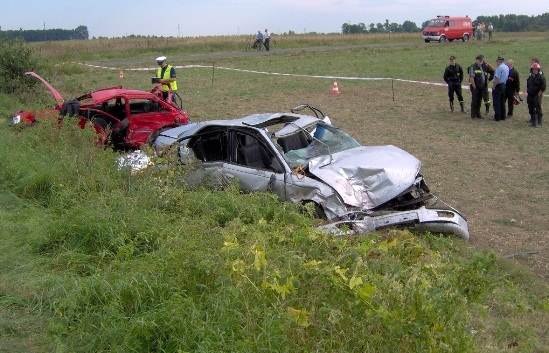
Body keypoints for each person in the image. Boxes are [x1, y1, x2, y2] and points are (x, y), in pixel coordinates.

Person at [526, 63, 546, 127]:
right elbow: (528, 84)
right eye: (534, 69)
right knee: (530, 108)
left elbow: (543, 87)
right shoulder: (531, 76)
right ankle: (533, 121)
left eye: (536, 69)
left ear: (538, 69)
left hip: (536, 95)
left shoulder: (541, 77)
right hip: (530, 95)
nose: (535, 70)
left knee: (537, 109)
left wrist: (538, 94)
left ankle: (539, 122)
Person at [492, 56, 509, 121]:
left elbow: (497, 78)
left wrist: (494, 86)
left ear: (499, 61)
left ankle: (497, 117)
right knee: (502, 101)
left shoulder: (499, 68)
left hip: (498, 86)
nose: (496, 63)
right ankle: (503, 116)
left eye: (497, 61)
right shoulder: (506, 67)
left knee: (496, 102)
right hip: (504, 85)